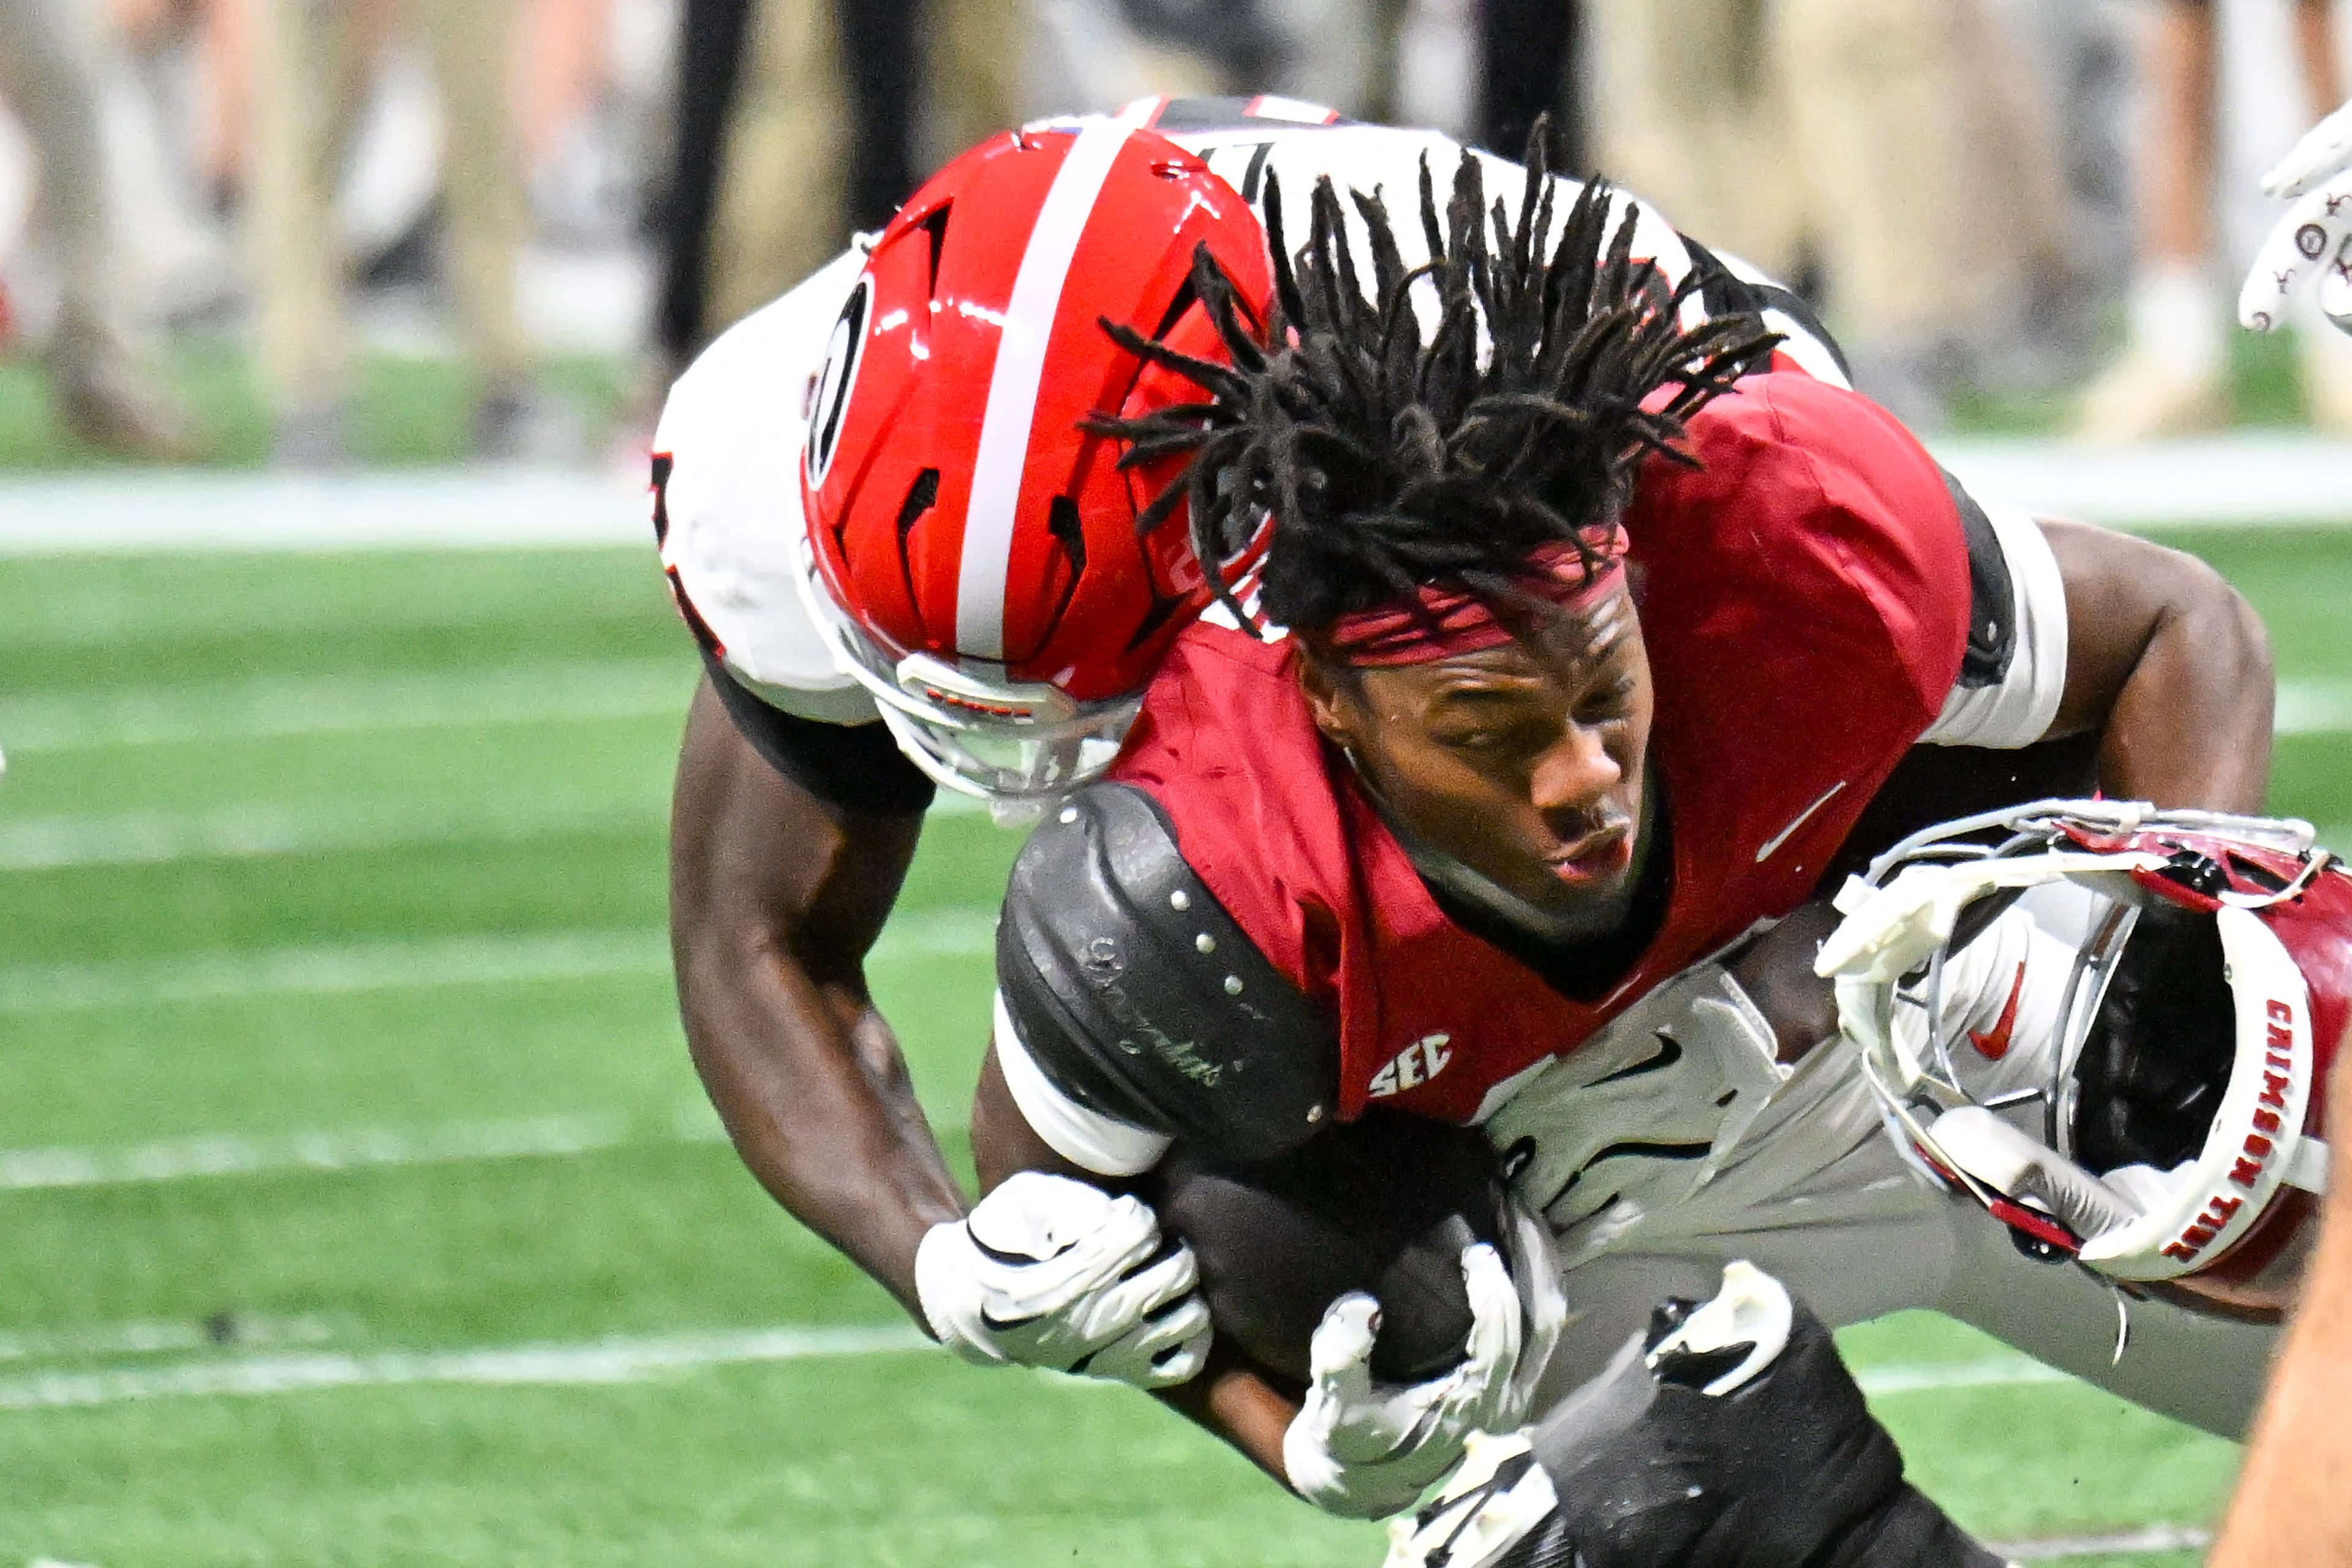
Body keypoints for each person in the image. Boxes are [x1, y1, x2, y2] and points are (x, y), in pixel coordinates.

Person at [938, 139, 2274, 1513]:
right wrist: (1278, 1431)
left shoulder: (1787, 536)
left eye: (1602, 688)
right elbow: (1058, 1214)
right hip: (1580, 1243)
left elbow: (2184, 630)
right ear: (1332, 700)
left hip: (1936, 1056)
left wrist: (2166, 965)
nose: (1582, 775)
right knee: (1399, 1354)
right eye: (1488, 730)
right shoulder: (1202, 873)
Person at [656, 97, 1852, 1340]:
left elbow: (1867, 619)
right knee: (1297, 1214)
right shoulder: (756, 452)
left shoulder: (1489, 372)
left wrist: (1743, 971)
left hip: (1618, 461)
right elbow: (759, 941)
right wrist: (943, 1265)